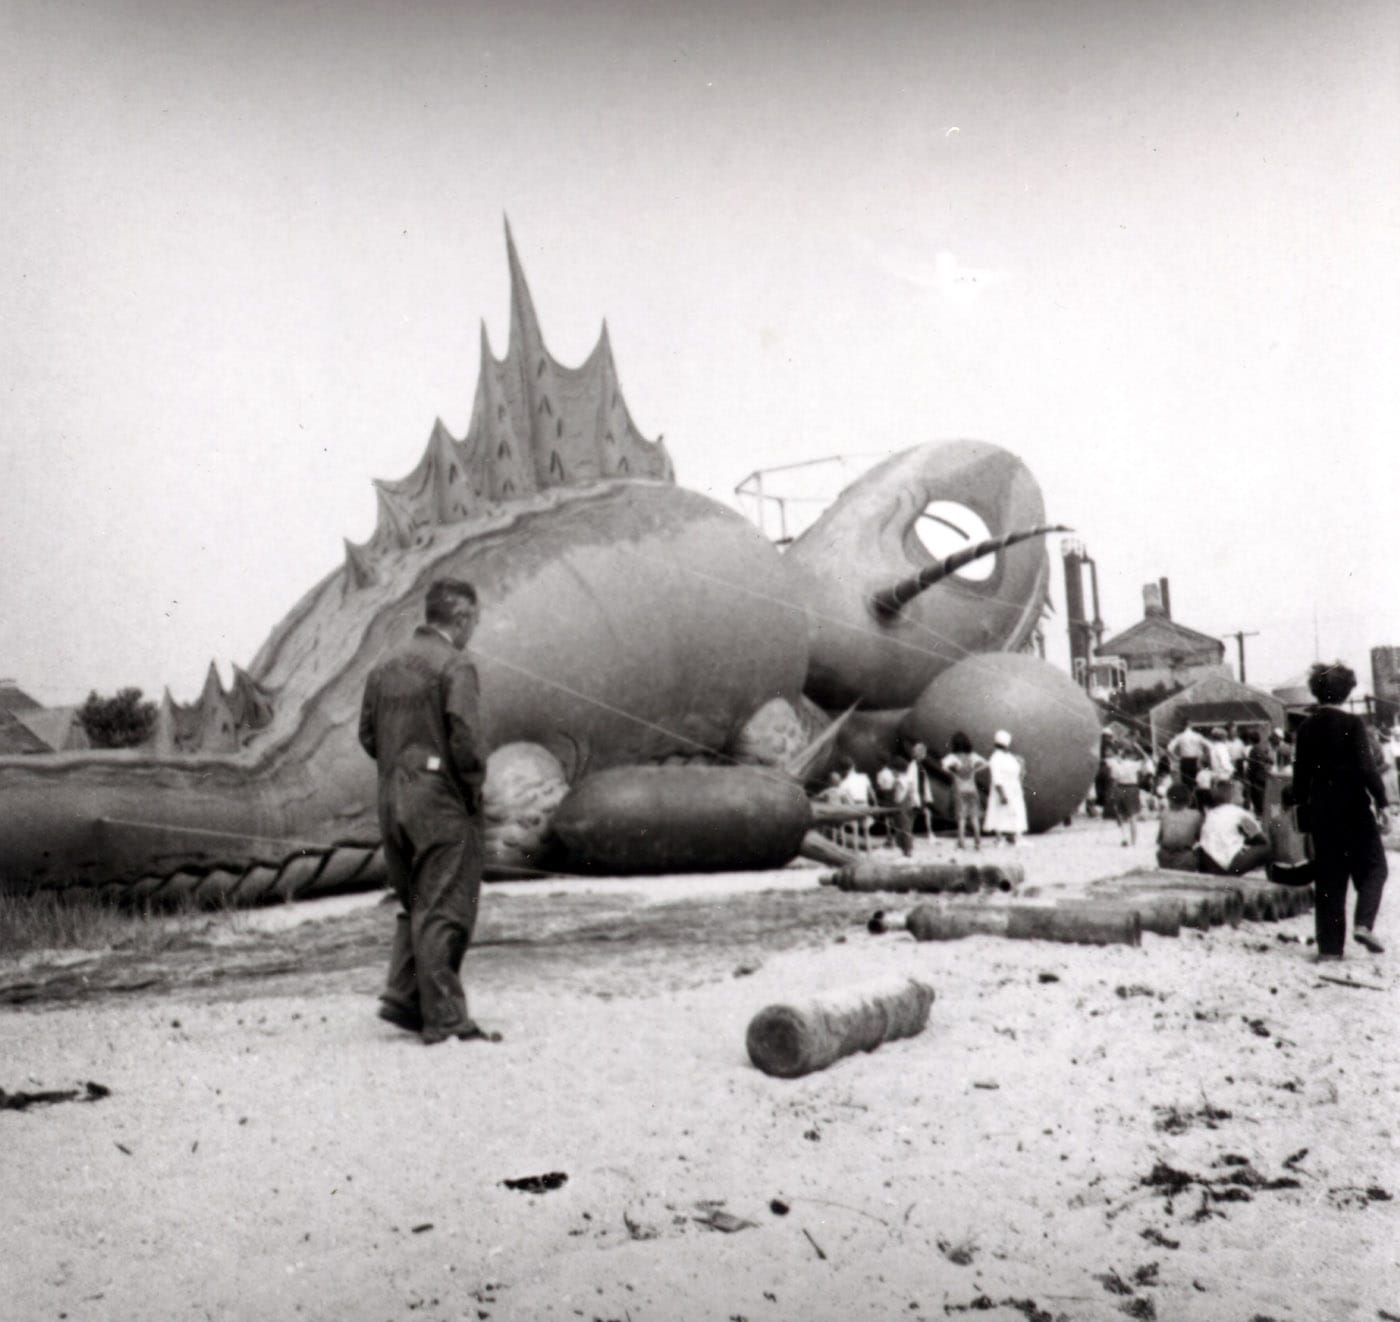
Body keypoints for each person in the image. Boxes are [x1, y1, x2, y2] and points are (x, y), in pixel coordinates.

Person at [358, 578, 497, 1044]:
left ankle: (404, 997)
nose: (473, 631)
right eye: (473, 622)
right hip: (440, 801)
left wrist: (403, 767)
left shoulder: (384, 666)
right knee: (445, 906)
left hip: (390, 796)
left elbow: (367, 736)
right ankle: (446, 1019)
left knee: (414, 898)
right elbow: (466, 737)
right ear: (459, 618)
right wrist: (474, 787)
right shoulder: (457, 665)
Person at [1292, 661, 1390, 959]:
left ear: (1315, 691)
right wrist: (1382, 801)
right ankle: (1363, 923)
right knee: (1375, 867)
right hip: (1354, 808)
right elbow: (1366, 767)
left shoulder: (1306, 727)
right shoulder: (1352, 724)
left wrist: (1303, 815)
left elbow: (1300, 778)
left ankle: (1330, 950)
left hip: (1322, 812)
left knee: (1330, 879)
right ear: (1347, 692)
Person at [1195, 793, 1270, 877]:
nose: (1244, 799)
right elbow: (1261, 838)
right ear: (1233, 798)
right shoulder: (1239, 813)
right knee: (1270, 847)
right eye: (1242, 795)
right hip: (1228, 864)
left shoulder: (1213, 812)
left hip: (1210, 863)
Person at [940, 731, 986, 850]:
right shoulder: (973, 756)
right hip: (972, 787)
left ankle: (961, 842)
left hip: (959, 788)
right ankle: (978, 842)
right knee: (974, 816)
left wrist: (953, 772)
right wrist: (975, 770)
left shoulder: (952, 758)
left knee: (961, 817)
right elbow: (986, 763)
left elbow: (943, 766)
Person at [983, 729, 1028, 846]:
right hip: (1007, 789)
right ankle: (1002, 839)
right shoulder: (1000, 758)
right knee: (1004, 813)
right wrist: (1002, 794)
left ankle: (1011, 838)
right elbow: (997, 778)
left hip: (1009, 789)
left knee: (1006, 813)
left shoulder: (1000, 758)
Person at [1156, 782, 1203, 870]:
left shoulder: (1165, 814)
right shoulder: (1195, 815)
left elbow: (1159, 839)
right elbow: (1200, 838)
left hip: (1165, 856)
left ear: (1169, 800)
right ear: (1189, 800)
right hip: (1185, 857)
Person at [1103, 740, 1143, 846]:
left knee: (1120, 814)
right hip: (1132, 788)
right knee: (1132, 816)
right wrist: (1138, 747)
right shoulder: (1135, 764)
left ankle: (1124, 837)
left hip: (1120, 788)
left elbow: (1112, 776)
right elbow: (1147, 762)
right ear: (1132, 755)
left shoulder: (1114, 763)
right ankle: (1133, 842)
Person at [876, 763, 915, 857]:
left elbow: (897, 797)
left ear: (897, 771)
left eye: (893, 771)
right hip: (908, 804)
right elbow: (911, 792)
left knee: (902, 827)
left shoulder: (898, 782)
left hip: (900, 805)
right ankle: (909, 848)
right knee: (907, 826)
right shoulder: (909, 780)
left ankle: (906, 849)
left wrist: (895, 802)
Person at [838, 759, 876, 851]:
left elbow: (841, 798)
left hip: (853, 806)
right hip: (864, 805)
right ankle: (869, 854)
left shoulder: (843, 783)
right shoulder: (864, 777)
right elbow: (871, 792)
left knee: (855, 831)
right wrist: (875, 803)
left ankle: (856, 852)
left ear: (843, 771)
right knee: (866, 832)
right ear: (853, 766)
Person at [1244, 728, 1272, 816]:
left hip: (1257, 779)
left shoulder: (1254, 750)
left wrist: (1248, 777)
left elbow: (1252, 766)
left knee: (1258, 802)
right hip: (1263, 778)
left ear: (1250, 740)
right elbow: (1270, 760)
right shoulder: (1262, 748)